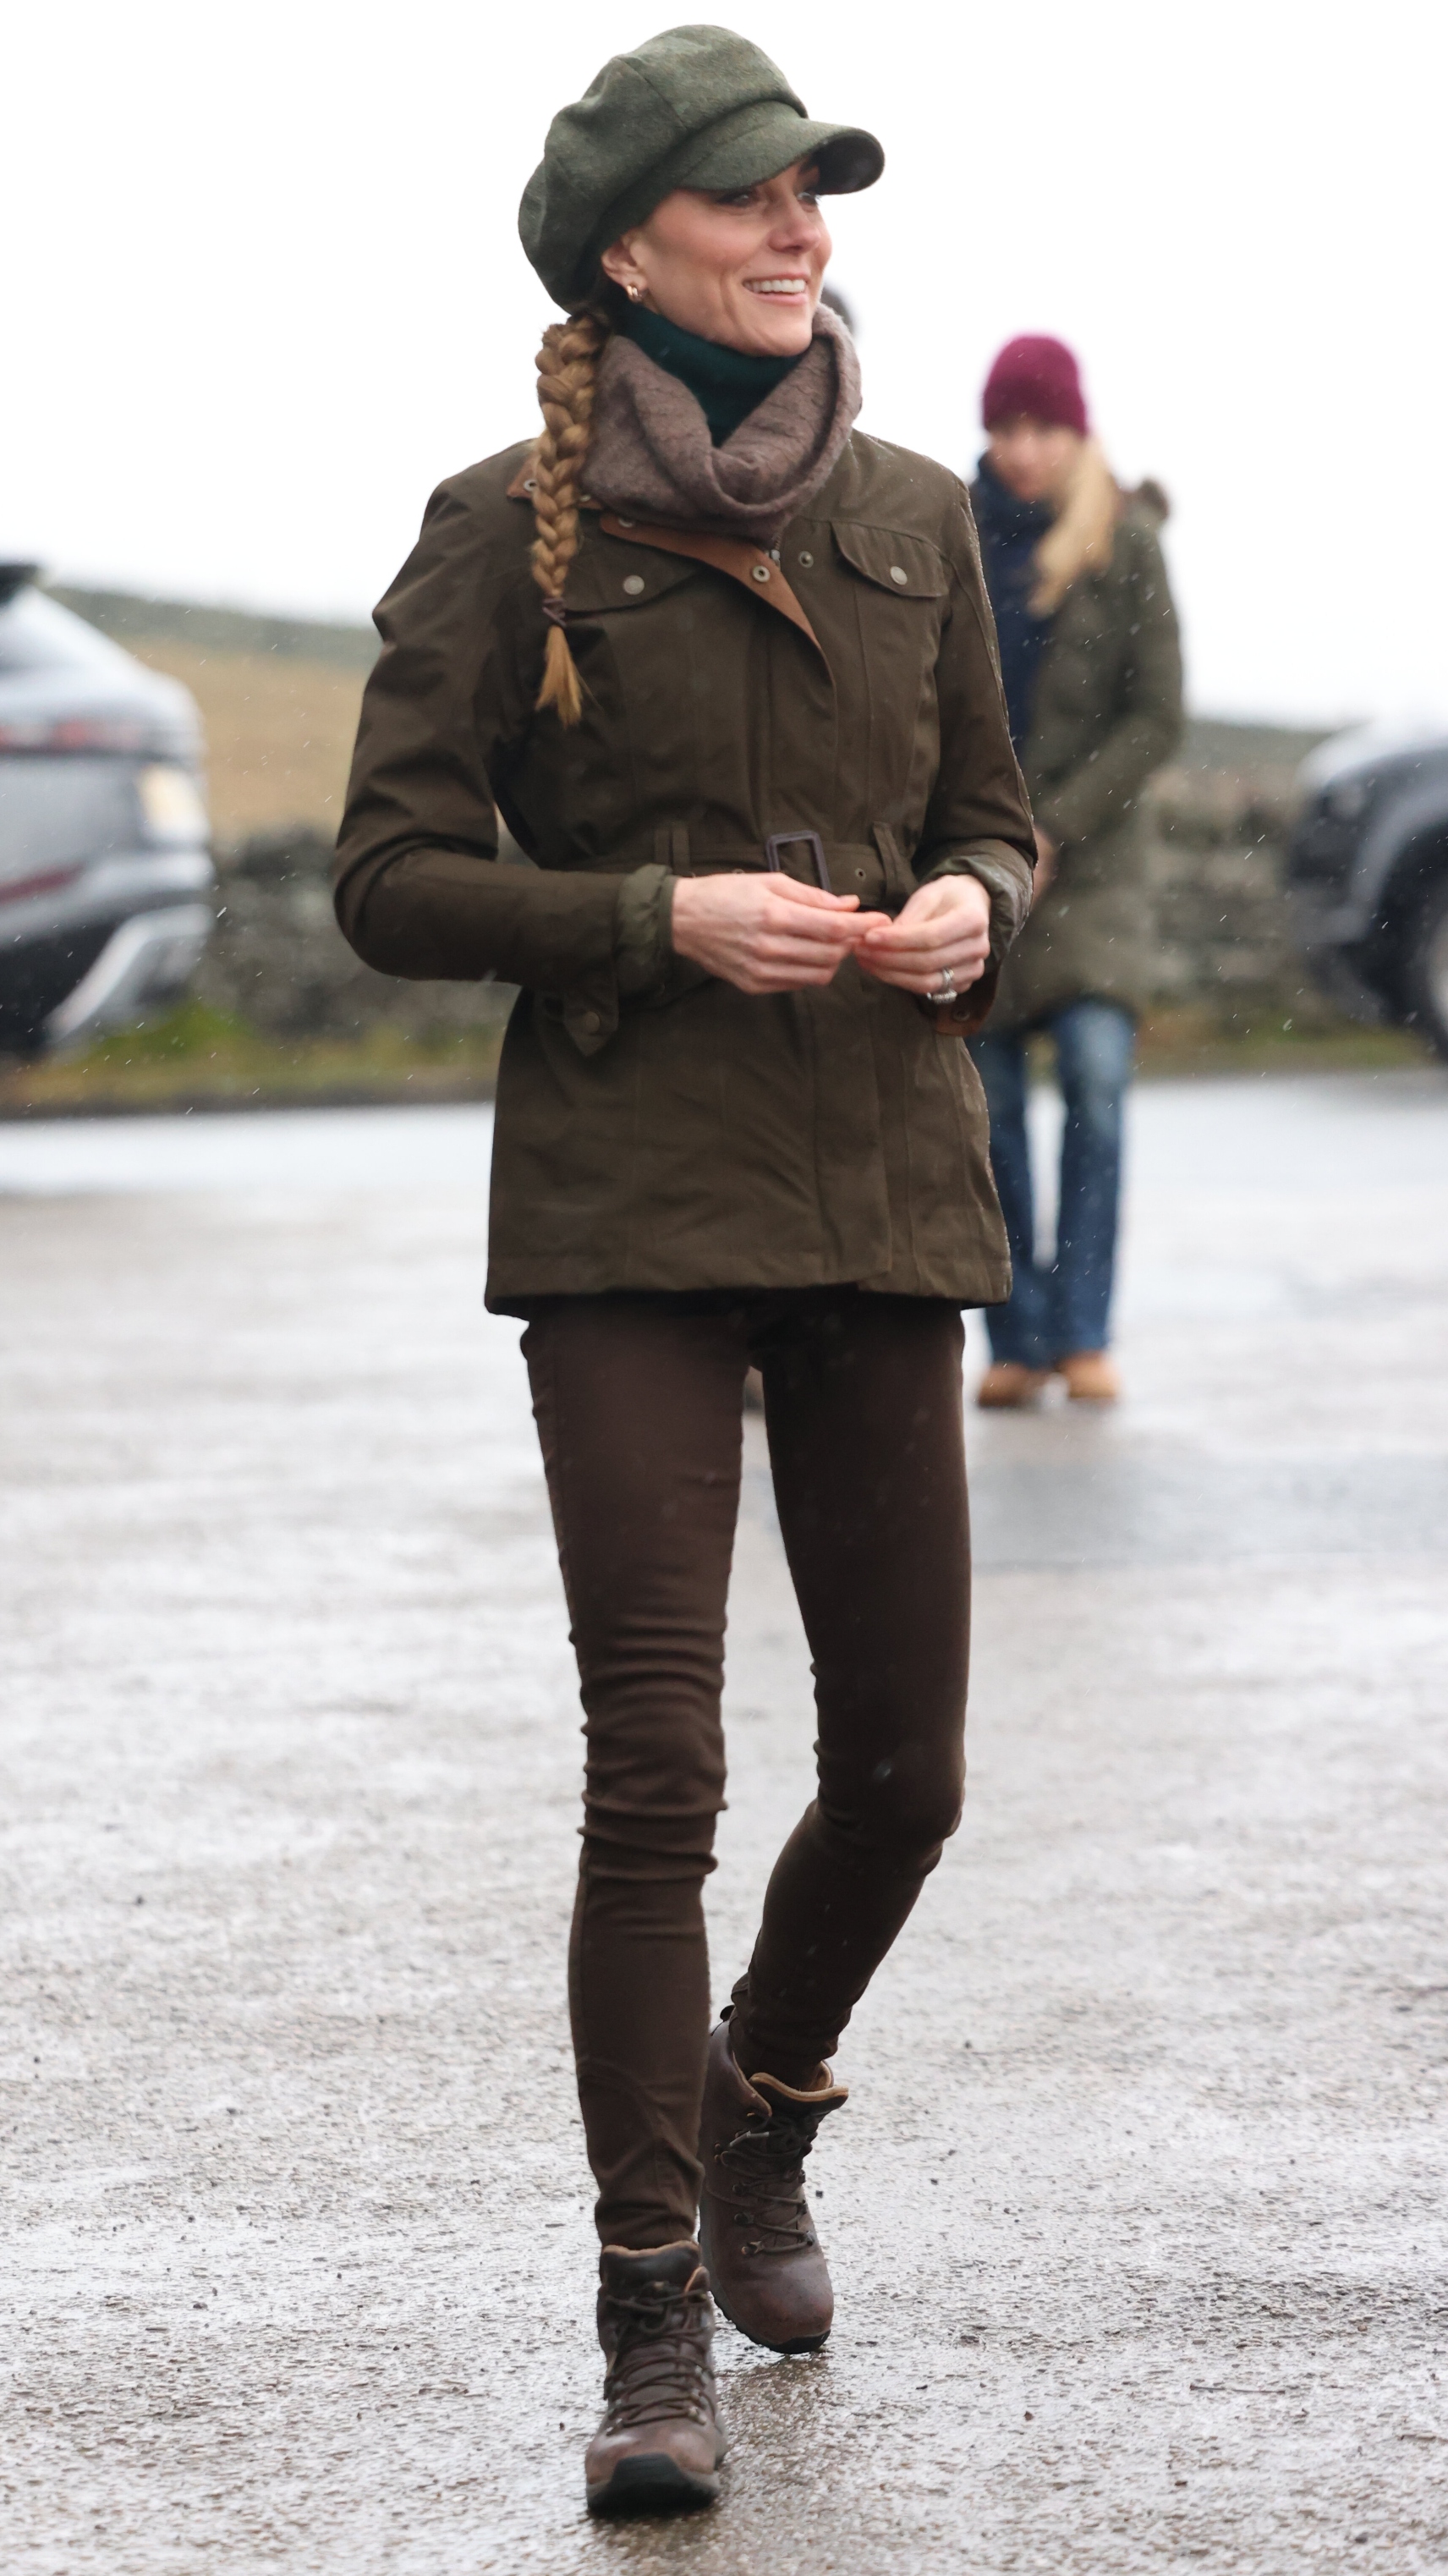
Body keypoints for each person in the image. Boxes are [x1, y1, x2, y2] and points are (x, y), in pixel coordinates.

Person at [333, 26, 1034, 2518]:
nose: (800, 225)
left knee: (912, 1771)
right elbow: (390, 879)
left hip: (881, 1188)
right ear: (625, 245)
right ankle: (649, 2315)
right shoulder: (496, 537)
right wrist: (653, 913)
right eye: (752, 194)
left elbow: (1000, 824)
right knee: (659, 1766)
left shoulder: (922, 516)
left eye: (816, 193)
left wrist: (981, 908)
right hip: (632, 1201)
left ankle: (766, 2100)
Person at [968, 336, 1182, 1408]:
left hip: (1088, 874)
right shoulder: (950, 529)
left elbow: (1156, 714)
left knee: (1095, 1085)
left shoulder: (1126, 542)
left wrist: (1054, 830)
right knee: (988, 1109)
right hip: (976, 863)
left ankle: (1084, 1332)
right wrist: (987, 840)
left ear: (1076, 429)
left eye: (1041, 427)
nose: (1020, 450)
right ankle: (1014, 1338)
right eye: (1003, 427)